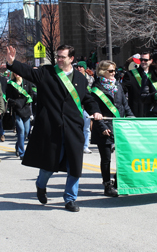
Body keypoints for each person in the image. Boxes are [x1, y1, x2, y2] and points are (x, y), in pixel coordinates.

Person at [6, 45, 103, 212]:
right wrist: (12, 62)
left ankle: (70, 199)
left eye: (62, 57)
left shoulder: (80, 78)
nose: (58, 59)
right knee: (50, 164)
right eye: (57, 56)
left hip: (73, 127)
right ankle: (40, 184)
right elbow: (28, 71)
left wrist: (95, 110)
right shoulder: (46, 72)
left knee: (75, 164)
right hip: (52, 127)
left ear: (71, 59)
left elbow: (87, 98)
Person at [90, 60, 134, 197]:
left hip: (119, 125)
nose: (114, 73)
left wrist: (132, 117)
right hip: (104, 127)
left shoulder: (117, 85)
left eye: (115, 70)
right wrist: (102, 126)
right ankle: (107, 185)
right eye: (110, 71)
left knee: (123, 156)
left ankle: (118, 181)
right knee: (106, 158)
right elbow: (95, 110)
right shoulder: (96, 89)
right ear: (102, 71)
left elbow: (124, 105)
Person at [6, 72, 33, 159]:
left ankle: (18, 146)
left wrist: (28, 100)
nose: (17, 74)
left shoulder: (27, 82)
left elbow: (31, 94)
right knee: (21, 130)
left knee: (26, 131)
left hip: (26, 109)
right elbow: (8, 97)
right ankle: (22, 152)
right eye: (15, 72)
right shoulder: (11, 83)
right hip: (17, 110)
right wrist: (15, 103)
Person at [122, 51, 152, 117]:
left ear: (151, 61)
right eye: (141, 60)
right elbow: (122, 92)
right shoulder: (130, 75)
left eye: (145, 60)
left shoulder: (155, 75)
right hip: (136, 113)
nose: (143, 62)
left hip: (152, 113)